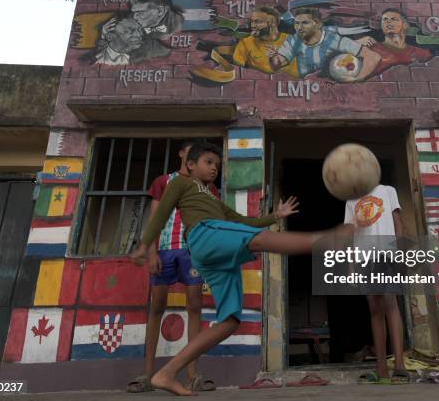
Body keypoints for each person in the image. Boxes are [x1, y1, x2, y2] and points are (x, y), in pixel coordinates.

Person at [131, 142, 354, 395]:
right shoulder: (181, 183)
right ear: (190, 165)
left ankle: (167, 373)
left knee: (229, 321)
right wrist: (145, 244)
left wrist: (275, 216)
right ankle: (323, 241)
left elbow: (243, 221)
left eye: (217, 164)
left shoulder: (212, 194)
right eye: (208, 162)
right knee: (258, 239)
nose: (214, 168)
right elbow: (160, 214)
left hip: (213, 253)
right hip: (204, 235)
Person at [127, 141, 217, 393]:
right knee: (156, 308)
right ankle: (147, 374)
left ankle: (193, 374)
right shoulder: (163, 181)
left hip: (193, 253)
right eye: (191, 151)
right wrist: (151, 251)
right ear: (183, 156)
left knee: (195, 307)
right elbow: (156, 217)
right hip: (164, 251)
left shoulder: (208, 187)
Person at [344, 184, 409, 384]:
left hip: (387, 254)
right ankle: (381, 368)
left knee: (391, 304)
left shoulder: (388, 191)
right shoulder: (351, 200)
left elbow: (398, 224)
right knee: (375, 310)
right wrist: (351, 266)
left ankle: (399, 366)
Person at [268, 8, 380, 80]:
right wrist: (272, 58)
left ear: (318, 24)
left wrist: (357, 79)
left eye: (304, 23)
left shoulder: (333, 39)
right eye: (296, 23)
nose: (299, 27)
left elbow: (373, 56)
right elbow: (277, 65)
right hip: (307, 90)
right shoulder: (293, 40)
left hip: (331, 90)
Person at [357, 9, 432, 78]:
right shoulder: (370, 49)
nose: (388, 22)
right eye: (385, 19)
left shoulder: (421, 54)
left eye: (394, 19)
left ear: (405, 25)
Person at [232, 6, 299, 78]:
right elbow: (237, 73)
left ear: (272, 23)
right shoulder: (245, 43)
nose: (252, 26)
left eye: (257, 22)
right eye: (252, 22)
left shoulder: (293, 41)